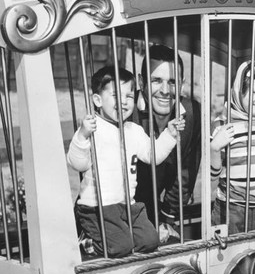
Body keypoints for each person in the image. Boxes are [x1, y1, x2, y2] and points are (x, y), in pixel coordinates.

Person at [67, 66, 185, 257]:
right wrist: (82, 135)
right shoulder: (92, 129)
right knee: (119, 248)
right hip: (98, 207)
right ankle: (86, 242)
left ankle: (121, 238)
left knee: (150, 240)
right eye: (115, 95)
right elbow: (77, 163)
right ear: (97, 100)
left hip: (128, 205)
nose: (123, 101)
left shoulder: (133, 130)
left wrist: (169, 135)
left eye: (129, 96)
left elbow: (153, 156)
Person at [134, 45, 201, 243]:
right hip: (118, 212)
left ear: (181, 83)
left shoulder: (191, 112)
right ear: (141, 82)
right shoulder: (126, 112)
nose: (165, 90)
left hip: (158, 207)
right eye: (156, 80)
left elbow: (186, 171)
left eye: (172, 82)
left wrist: (168, 218)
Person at [210, 61, 255, 234]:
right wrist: (214, 148)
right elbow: (212, 175)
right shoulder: (221, 125)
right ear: (239, 90)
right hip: (230, 208)